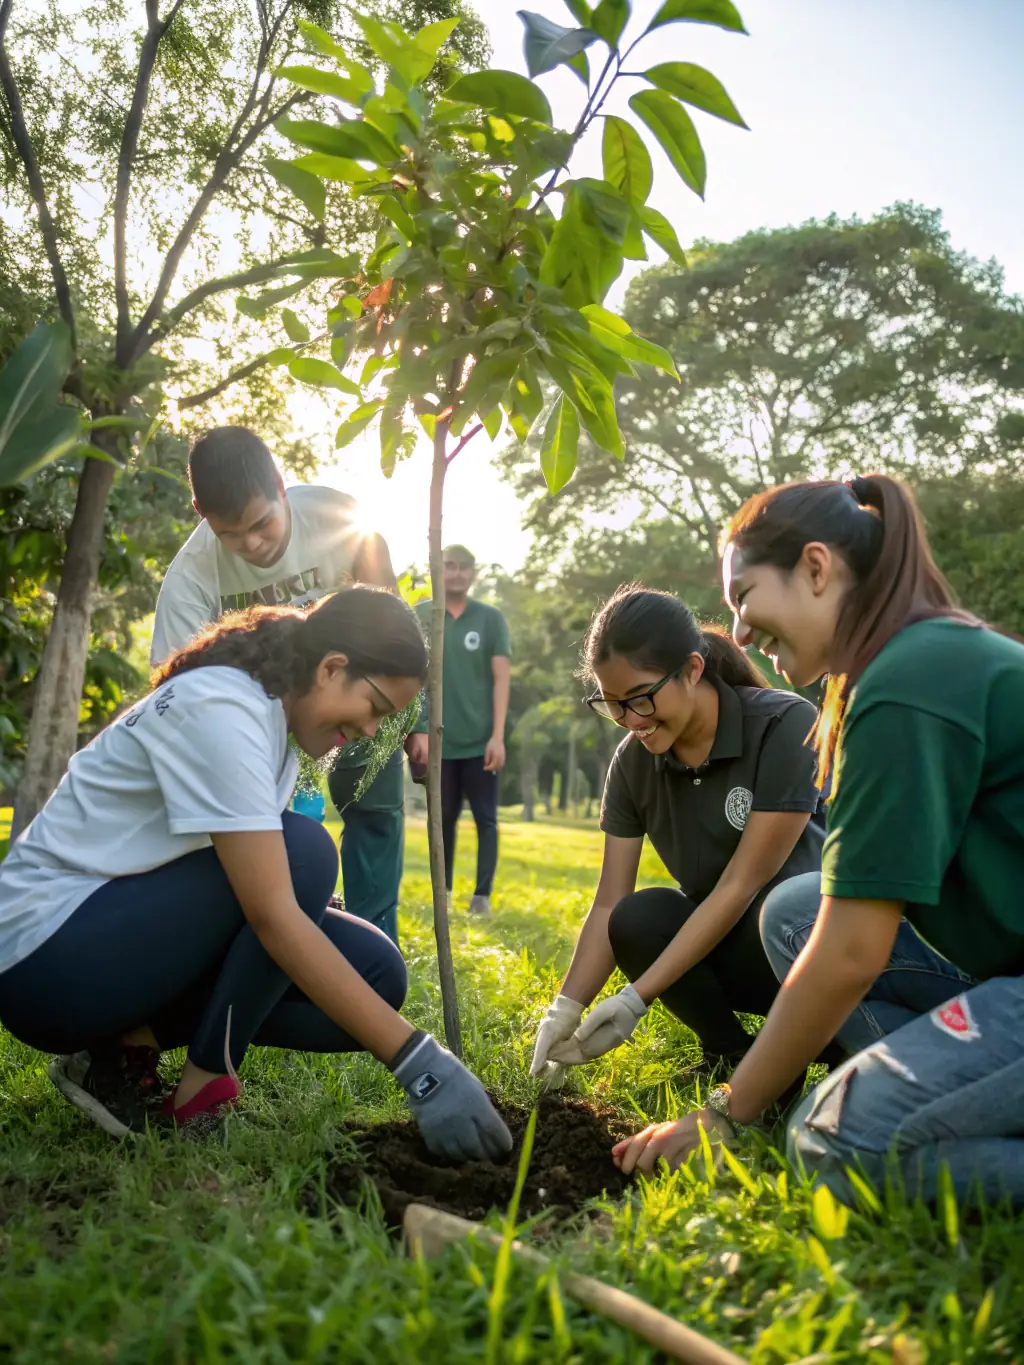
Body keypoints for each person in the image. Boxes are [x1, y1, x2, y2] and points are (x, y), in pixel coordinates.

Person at [612, 475, 1024, 1209]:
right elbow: (840, 923)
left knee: (829, 1143)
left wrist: (723, 1112)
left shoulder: (907, 682)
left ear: (815, 567)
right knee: (796, 909)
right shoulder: (908, 662)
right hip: (996, 973)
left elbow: (852, 951)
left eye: (744, 597)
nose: (735, 631)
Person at [0, 589, 512, 1161]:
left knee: (376, 974)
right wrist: (422, 1066)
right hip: (44, 958)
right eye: (376, 707)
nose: (372, 730)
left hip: (112, 933)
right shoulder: (223, 706)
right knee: (306, 854)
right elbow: (273, 910)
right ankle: (204, 1084)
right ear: (332, 667)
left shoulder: (272, 725)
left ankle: (124, 1047)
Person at [530, 585, 833, 1087]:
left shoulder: (783, 724)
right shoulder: (633, 763)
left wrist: (636, 999)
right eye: (612, 705)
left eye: (641, 699)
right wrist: (565, 1008)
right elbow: (609, 902)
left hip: (810, 951)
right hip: (730, 950)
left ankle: (812, 1051)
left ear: (692, 670)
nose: (632, 721)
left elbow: (741, 884)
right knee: (637, 917)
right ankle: (729, 1053)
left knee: (778, 920)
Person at [151, 426, 407, 945]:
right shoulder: (189, 581)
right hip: (261, 718)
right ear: (201, 511)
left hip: (359, 697)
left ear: (279, 483)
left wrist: (413, 720)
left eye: (262, 524)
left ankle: (376, 940)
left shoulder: (341, 521)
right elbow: (175, 696)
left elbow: (390, 628)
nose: (251, 544)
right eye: (231, 534)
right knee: (288, 843)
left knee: (375, 814)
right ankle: (292, 938)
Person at [407, 546, 511, 916]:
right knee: (442, 818)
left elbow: (501, 680)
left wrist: (497, 736)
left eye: (463, 567)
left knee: (486, 818)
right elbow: (410, 677)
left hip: (480, 743)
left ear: (473, 573)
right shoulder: (419, 617)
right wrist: (416, 729)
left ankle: (481, 897)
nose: (456, 573)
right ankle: (444, 895)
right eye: (449, 566)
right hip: (435, 741)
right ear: (437, 569)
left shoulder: (490, 619)